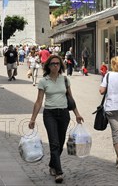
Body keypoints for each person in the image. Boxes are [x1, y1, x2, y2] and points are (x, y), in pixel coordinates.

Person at [29, 54, 83, 184]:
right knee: (54, 143)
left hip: (64, 114)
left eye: (58, 64)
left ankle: (52, 164)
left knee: (60, 142)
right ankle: (59, 172)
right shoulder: (43, 81)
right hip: (50, 115)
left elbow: (71, 98)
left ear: (61, 66)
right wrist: (33, 119)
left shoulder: (65, 80)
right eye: (53, 63)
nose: (55, 66)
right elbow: (38, 101)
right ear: (48, 65)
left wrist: (77, 114)